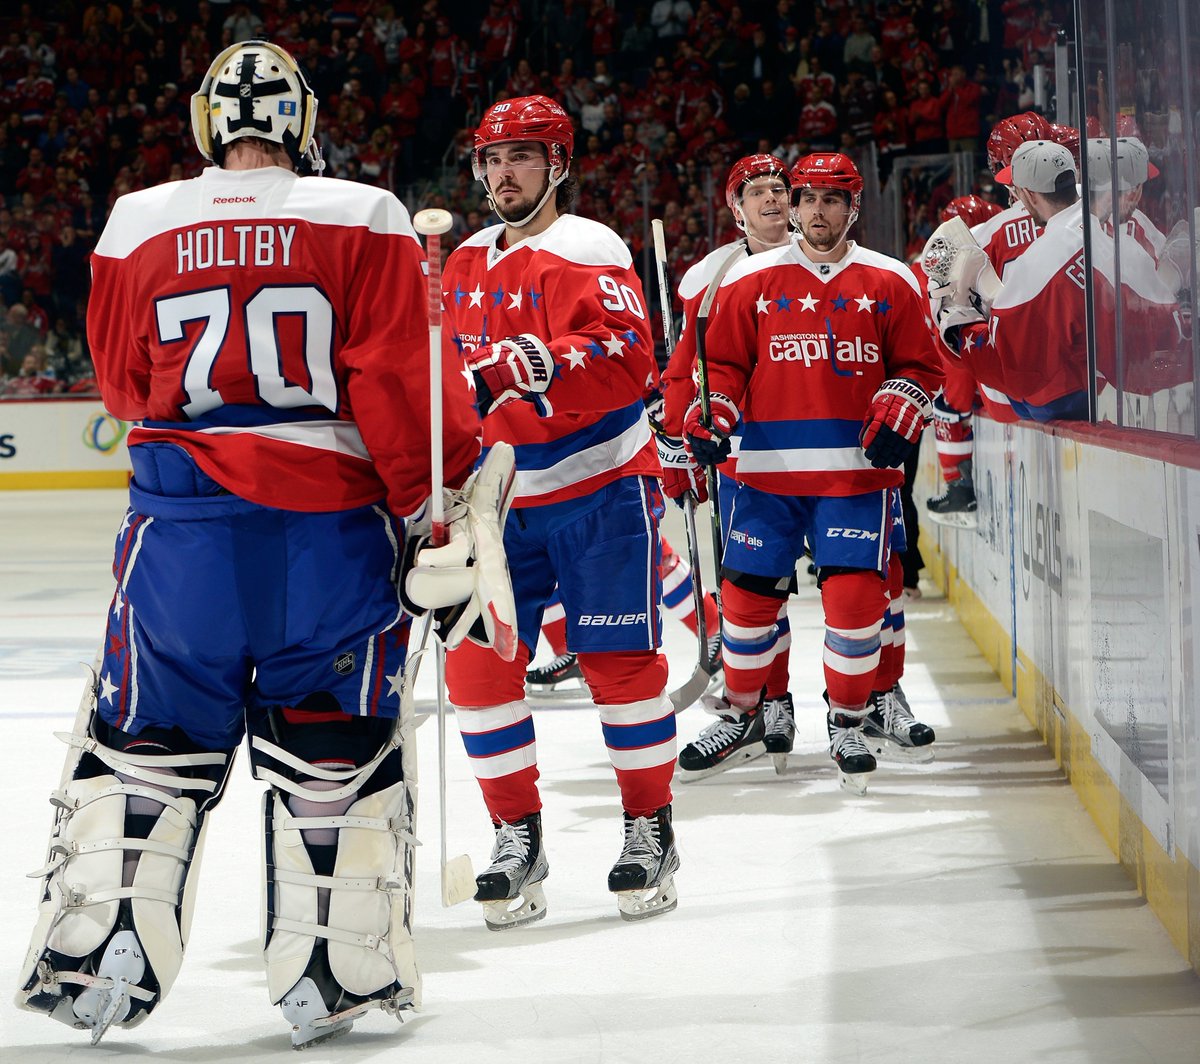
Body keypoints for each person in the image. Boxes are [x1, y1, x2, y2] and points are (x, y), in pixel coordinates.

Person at [16, 40, 512, 1050]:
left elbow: (118, 383)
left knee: (145, 749)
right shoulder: (363, 212)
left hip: (178, 537)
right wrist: (441, 504)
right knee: (333, 753)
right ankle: (336, 968)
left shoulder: (135, 219)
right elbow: (393, 383)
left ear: (207, 124)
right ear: (305, 123)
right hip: (327, 538)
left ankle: (101, 949)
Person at [441, 95, 678, 927]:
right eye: (492, 159)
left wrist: (523, 364)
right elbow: (445, 376)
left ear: (558, 165)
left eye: (523, 157)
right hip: (495, 507)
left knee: (619, 669)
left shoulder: (588, 245)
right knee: (475, 674)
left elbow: (628, 358)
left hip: (599, 489)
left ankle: (649, 828)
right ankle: (517, 837)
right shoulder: (463, 260)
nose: (503, 174)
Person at [677, 152, 942, 794]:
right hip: (764, 472)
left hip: (855, 475)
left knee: (855, 605)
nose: (817, 211)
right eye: (807, 199)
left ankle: (849, 717)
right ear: (793, 207)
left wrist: (903, 399)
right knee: (743, 609)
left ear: (853, 208)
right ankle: (742, 714)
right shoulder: (750, 278)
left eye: (832, 199)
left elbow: (924, 368)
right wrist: (711, 411)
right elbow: (719, 366)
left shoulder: (890, 279)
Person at [660, 152, 798, 772]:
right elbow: (686, 365)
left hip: (833, 445)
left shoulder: (823, 259)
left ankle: (871, 697)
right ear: (734, 207)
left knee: (866, 582)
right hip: (744, 448)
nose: (772, 199)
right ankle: (771, 700)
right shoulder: (708, 277)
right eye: (757, 191)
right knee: (757, 587)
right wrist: (676, 433)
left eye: (780, 188)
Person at [934, 139, 1090, 420]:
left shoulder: (1018, 246)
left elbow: (1011, 354)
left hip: (1054, 395)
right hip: (1098, 383)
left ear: (1027, 194)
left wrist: (956, 321)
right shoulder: (1104, 219)